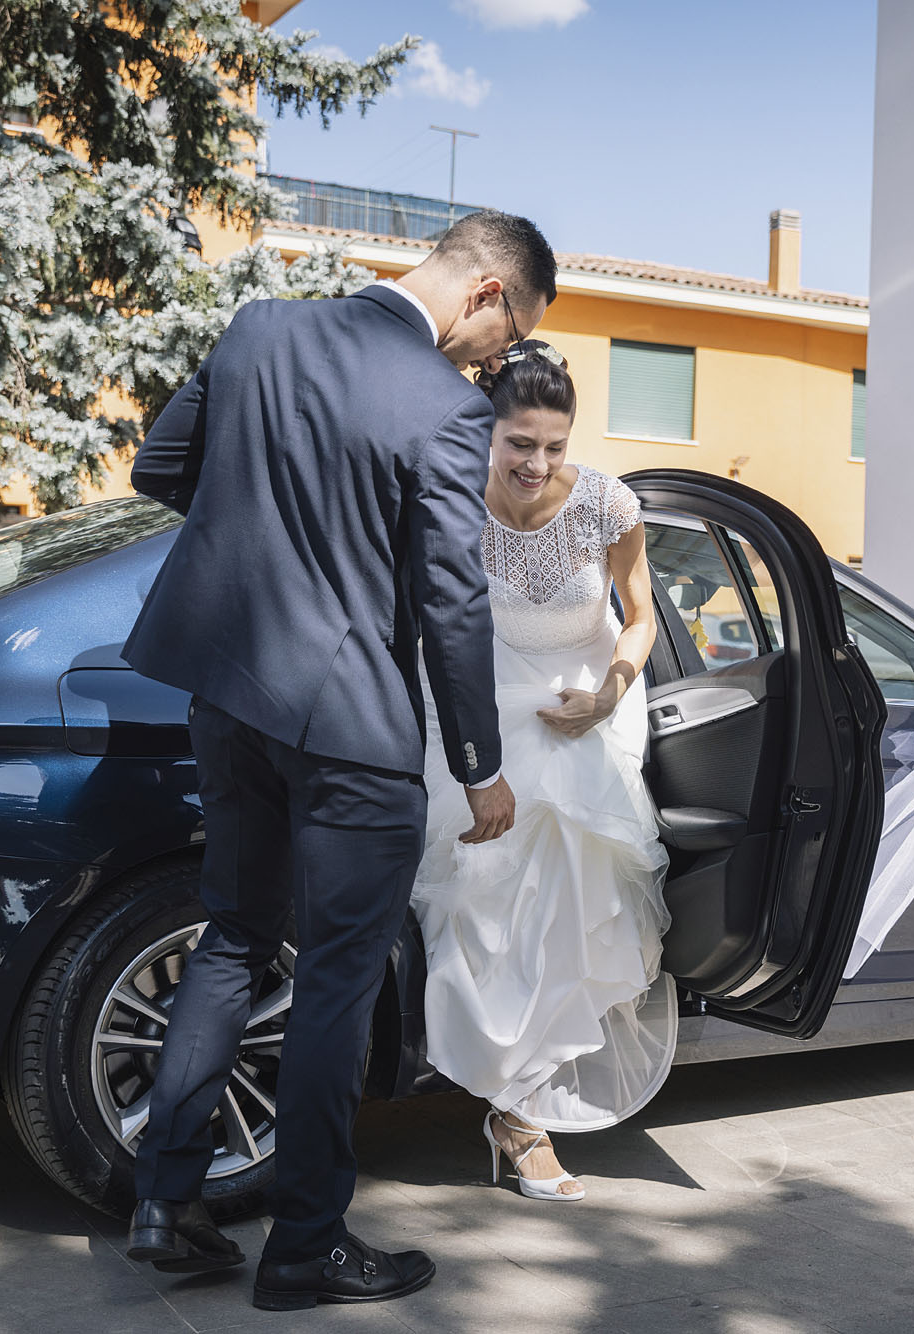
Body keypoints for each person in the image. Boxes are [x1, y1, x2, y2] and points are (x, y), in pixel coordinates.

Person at [117, 211, 557, 1311]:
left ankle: (165, 1201)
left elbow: (159, 464)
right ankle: (305, 1245)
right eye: (501, 342)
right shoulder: (448, 409)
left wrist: (262, 540)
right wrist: (478, 762)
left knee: (231, 937)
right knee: (334, 980)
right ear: (486, 295)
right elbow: (450, 600)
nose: (490, 365)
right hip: (350, 730)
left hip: (227, 697)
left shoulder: (260, 327)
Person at [411, 341, 673, 1203]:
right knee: (482, 913)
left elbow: (639, 620)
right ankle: (499, 1093)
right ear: (490, 430)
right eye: (521, 443)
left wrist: (608, 694)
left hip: (581, 718)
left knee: (571, 911)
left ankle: (522, 1116)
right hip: (474, 721)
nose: (538, 463)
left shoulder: (607, 503)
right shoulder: (451, 499)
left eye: (555, 445)